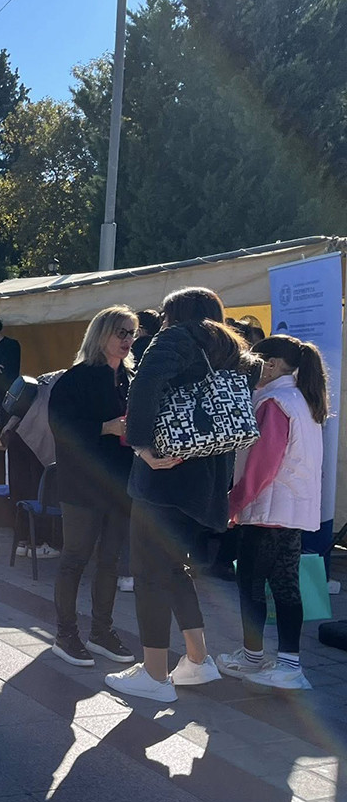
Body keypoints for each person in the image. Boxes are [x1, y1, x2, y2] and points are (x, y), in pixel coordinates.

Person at [106, 287, 253, 703]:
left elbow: (145, 385)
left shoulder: (176, 338)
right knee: (174, 569)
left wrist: (140, 445)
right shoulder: (232, 349)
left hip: (166, 475)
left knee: (150, 574)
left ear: (175, 314)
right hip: (207, 481)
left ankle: (155, 675)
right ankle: (197, 659)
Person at [217, 336, 329, 691]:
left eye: (255, 361)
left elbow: (262, 464)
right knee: (285, 586)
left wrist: (234, 502)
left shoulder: (274, 402)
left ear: (273, 364)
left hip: (268, 509)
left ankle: (254, 657)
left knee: (251, 584)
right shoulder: (303, 400)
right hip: (291, 510)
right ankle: (288, 664)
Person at [47, 306, 139, 667]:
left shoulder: (130, 380)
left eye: (132, 333)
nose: (128, 340)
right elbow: (61, 429)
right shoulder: (75, 378)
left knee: (110, 562)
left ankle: (101, 631)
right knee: (75, 558)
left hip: (119, 483)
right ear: (101, 334)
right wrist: (106, 427)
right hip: (82, 484)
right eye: (121, 332)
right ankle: (65, 633)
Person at [0, 370, 64, 559]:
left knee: (20, 491)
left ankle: (21, 542)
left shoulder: (46, 377)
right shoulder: (70, 381)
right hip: (37, 439)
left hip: (16, 433)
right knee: (40, 493)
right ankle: (39, 544)